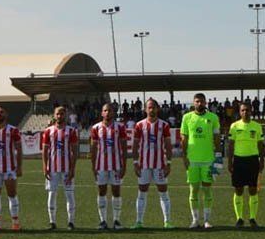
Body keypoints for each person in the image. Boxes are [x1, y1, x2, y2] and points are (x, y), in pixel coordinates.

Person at [180, 93, 220, 229]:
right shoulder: (187, 117)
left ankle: (207, 220)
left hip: (208, 160)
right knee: (194, 190)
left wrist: (218, 156)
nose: (199, 103)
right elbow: (184, 138)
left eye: (202, 101)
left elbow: (216, 137)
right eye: (197, 101)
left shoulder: (213, 117)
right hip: (192, 160)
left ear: (205, 103)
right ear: (193, 103)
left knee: (207, 189)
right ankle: (195, 220)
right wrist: (184, 156)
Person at [132, 98, 174, 229]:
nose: (151, 110)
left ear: (158, 108)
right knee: (142, 192)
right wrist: (135, 163)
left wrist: (168, 163)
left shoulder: (164, 125)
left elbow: (168, 145)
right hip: (143, 165)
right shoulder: (139, 125)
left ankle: (167, 221)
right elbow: (135, 145)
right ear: (145, 109)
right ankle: (139, 222)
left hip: (160, 165)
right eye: (149, 107)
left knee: (163, 193)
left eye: (153, 107)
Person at [0, 105, 24, 231]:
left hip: (9, 168)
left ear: (6, 114)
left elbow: (19, 149)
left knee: (12, 194)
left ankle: (15, 222)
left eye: (1, 112)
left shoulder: (13, 130)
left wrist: (19, 167)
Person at [90, 102, 128, 229]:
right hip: (101, 166)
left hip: (116, 165)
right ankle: (103, 221)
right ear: (102, 113)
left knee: (116, 191)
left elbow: (124, 147)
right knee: (101, 191)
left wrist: (124, 166)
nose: (107, 113)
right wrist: (93, 167)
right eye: (105, 110)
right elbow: (93, 149)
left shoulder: (120, 127)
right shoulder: (96, 128)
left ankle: (116, 220)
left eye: (110, 110)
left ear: (113, 113)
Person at [40, 106, 79, 229]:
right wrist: (45, 167)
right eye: (57, 114)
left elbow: (75, 152)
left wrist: (72, 169)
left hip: (67, 168)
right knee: (52, 194)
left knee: (69, 194)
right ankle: (52, 222)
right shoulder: (48, 131)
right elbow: (44, 151)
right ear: (54, 115)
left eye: (62, 114)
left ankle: (71, 222)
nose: (59, 116)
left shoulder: (71, 131)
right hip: (52, 168)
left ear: (65, 115)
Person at [227, 100, 264, 227]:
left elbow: (260, 145)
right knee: (238, 190)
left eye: (247, 110)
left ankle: (253, 218)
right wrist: (230, 162)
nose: (245, 112)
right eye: (242, 110)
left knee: (253, 189)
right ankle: (239, 218)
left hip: (253, 160)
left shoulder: (257, 126)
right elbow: (230, 145)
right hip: (238, 161)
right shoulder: (234, 126)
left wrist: (262, 160)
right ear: (239, 112)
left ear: (251, 111)